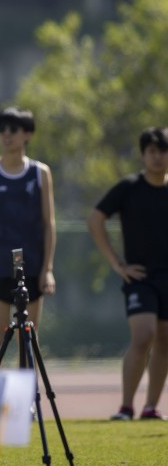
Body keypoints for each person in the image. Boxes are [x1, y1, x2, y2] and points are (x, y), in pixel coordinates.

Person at [88, 127, 168, 421]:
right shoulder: (129, 187)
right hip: (140, 278)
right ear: (143, 154)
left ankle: (150, 407)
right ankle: (125, 406)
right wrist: (116, 264)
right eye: (152, 151)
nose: (158, 157)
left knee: (165, 340)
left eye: (163, 151)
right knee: (143, 336)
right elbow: (96, 219)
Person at [0, 106, 56, 371]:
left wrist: (47, 269)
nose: (7, 135)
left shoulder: (40, 173)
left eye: (14, 130)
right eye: (3, 130)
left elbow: (48, 223)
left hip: (31, 264)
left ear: (27, 134)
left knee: (27, 335)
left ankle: (26, 401)